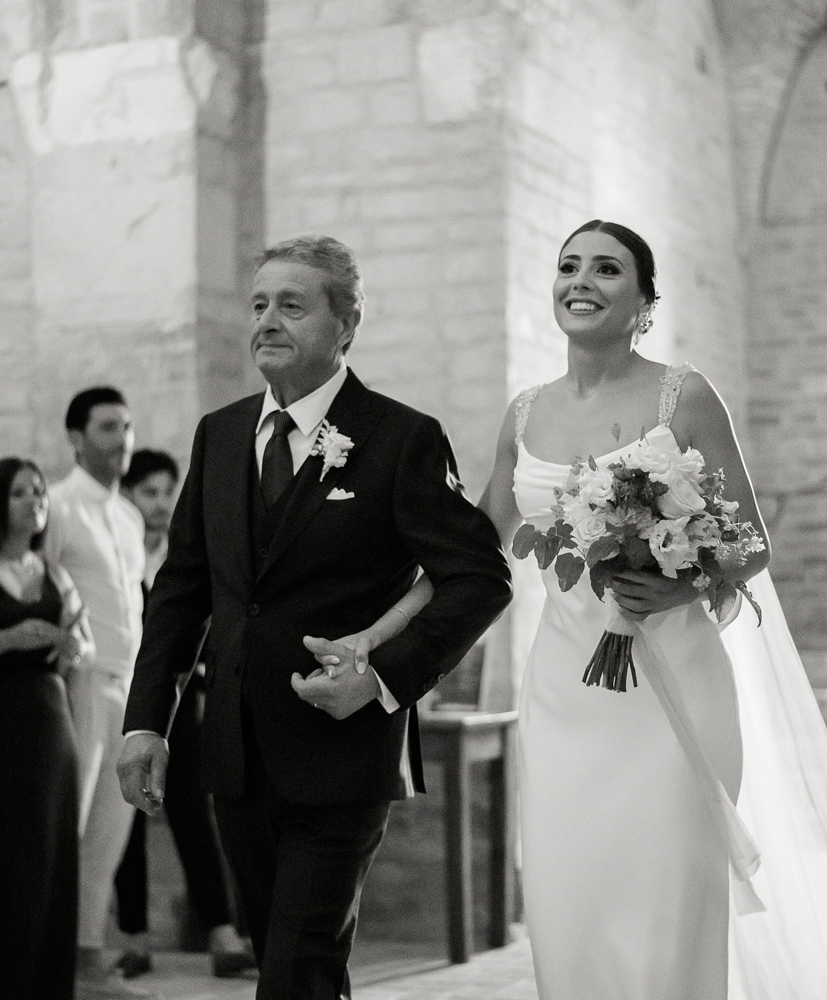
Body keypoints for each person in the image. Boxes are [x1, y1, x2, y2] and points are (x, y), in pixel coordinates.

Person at [348, 220, 827, 999]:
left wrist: (680, 584)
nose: (580, 280)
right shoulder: (523, 414)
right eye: (569, 266)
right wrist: (373, 636)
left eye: (606, 269)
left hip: (673, 688)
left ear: (645, 304)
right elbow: (471, 554)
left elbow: (751, 543)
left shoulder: (683, 396)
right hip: (566, 695)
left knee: (667, 896)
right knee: (571, 897)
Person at [116, 234, 512, 1000]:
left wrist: (382, 678)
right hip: (235, 756)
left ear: (346, 325)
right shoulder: (220, 434)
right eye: (259, 304)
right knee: (295, 964)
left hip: (343, 755)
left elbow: (479, 578)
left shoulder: (401, 438)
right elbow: (181, 592)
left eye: (292, 306)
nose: (267, 321)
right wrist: (145, 722)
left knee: (296, 970)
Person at [111, 449, 253, 979]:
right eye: (149, 491)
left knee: (195, 812)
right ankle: (134, 937)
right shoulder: (118, 551)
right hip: (125, 696)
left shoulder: (184, 552)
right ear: (128, 495)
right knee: (127, 821)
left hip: (185, 696)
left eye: (167, 492)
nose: (160, 502)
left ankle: (222, 932)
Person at [0, 458, 91, 1000]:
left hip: (52, 722)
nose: (35, 501)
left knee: (52, 858)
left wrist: (72, 647)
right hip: (0, 722)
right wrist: (11, 639)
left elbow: (81, 650)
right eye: (20, 492)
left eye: (39, 491)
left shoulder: (55, 572)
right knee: (7, 860)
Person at [43, 387, 149, 998]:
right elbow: (41, 588)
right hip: (80, 683)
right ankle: (54, 963)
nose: (122, 439)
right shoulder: (58, 506)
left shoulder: (129, 517)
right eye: (108, 427)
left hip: (129, 686)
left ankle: (87, 957)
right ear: (76, 438)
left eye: (127, 427)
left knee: (112, 833)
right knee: (72, 829)